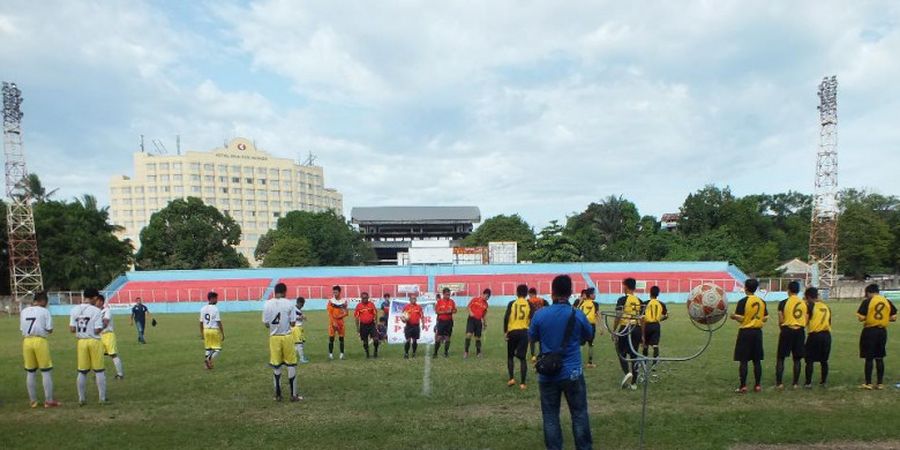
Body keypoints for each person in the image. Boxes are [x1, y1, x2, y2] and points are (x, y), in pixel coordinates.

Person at [529, 274, 594, 450]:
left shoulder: (540, 315)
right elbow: (589, 335)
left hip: (548, 374)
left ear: (552, 292)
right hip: (573, 373)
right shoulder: (577, 314)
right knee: (579, 414)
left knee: (550, 416)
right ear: (571, 292)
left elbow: (533, 337)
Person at [21, 291, 60, 408]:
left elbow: (21, 328)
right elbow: (50, 329)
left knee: (30, 372)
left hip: (27, 341)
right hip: (40, 341)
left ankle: (33, 401)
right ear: (43, 301)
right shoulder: (45, 311)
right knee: (46, 371)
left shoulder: (24, 311)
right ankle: (49, 401)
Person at [262, 283, 300, 402]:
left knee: (276, 365)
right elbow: (293, 323)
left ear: (274, 291)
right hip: (287, 336)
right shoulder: (289, 304)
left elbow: (266, 323)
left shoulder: (267, 304)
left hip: (274, 338)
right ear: (285, 291)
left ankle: (278, 394)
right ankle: (293, 395)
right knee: (291, 364)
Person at [70, 288, 108, 405]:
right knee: (99, 370)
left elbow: (72, 329)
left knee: (82, 371)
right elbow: (97, 330)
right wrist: (103, 326)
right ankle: (102, 398)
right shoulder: (96, 311)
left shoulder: (74, 309)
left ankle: (81, 398)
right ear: (95, 298)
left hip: (81, 342)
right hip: (94, 341)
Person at [856, 283, 897, 390]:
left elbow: (861, 318)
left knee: (869, 358)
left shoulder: (868, 301)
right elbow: (894, 317)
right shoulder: (886, 301)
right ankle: (880, 383)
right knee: (879, 357)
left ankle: (868, 383)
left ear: (869, 292)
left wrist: (870, 317)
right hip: (882, 331)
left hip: (870, 331)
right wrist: (883, 319)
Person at [730, 278, 768, 394]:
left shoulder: (743, 301)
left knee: (744, 360)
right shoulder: (762, 301)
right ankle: (757, 385)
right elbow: (765, 318)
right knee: (757, 361)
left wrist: (734, 316)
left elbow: (741, 318)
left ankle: (743, 386)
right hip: (757, 333)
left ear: (746, 288)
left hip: (745, 332)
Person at [775, 281, 807, 389]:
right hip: (800, 331)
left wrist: (783, 329)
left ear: (788, 290)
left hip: (787, 330)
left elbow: (781, 320)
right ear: (798, 290)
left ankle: (779, 383)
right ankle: (795, 383)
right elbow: (806, 319)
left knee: (781, 358)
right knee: (797, 359)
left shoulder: (783, 303)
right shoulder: (804, 303)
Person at [614, 278, 643, 390]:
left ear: (625, 286)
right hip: (636, 328)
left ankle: (627, 373)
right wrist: (643, 335)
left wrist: (614, 329)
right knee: (634, 355)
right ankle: (634, 383)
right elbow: (642, 319)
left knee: (621, 352)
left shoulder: (622, 299)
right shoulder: (639, 301)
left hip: (625, 327)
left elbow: (618, 315)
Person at [504, 284, 533, 390]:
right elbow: (533, 318)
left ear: (517, 293)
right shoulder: (529, 304)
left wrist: (505, 332)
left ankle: (511, 378)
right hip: (523, 332)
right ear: (526, 294)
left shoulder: (512, 303)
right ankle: (523, 383)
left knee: (510, 356)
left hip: (512, 332)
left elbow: (506, 318)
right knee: (523, 359)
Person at [803, 287, 831, 388]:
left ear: (808, 297)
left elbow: (805, 322)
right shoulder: (826, 306)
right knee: (824, 360)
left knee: (809, 360)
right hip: (826, 335)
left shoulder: (810, 306)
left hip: (815, 335)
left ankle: (808, 383)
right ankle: (823, 382)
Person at [96, 295, 125, 379]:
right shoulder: (96, 311)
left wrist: (97, 330)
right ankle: (100, 374)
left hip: (108, 335)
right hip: (99, 335)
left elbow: (105, 322)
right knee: (98, 355)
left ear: (101, 301)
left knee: (113, 354)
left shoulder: (106, 310)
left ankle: (120, 374)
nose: (95, 303)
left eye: (97, 301)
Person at [641, 286, 667, 360]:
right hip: (656, 325)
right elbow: (666, 316)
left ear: (650, 293)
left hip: (647, 325)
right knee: (655, 345)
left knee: (645, 344)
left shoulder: (645, 303)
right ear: (658, 294)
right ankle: (654, 363)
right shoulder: (661, 304)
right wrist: (659, 319)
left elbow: (642, 317)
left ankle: (645, 361)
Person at [200, 291, 224, 369]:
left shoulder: (203, 309)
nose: (217, 300)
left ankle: (207, 366)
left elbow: (200, 322)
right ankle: (208, 359)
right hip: (213, 330)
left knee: (208, 348)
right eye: (216, 298)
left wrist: (202, 333)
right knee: (217, 349)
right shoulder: (215, 309)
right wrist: (222, 333)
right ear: (212, 299)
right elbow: (218, 321)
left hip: (205, 330)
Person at [464, 289, 490, 358]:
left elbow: (484, 315)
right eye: (486, 296)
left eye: (488, 297)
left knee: (478, 338)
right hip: (471, 320)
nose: (487, 298)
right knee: (469, 335)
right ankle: (466, 352)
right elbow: (468, 307)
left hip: (479, 321)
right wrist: (470, 313)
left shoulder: (486, 305)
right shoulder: (475, 299)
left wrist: (485, 323)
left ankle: (478, 352)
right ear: (483, 294)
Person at [577, 288, 600, 368]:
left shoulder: (581, 303)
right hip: (590, 325)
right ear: (590, 295)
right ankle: (590, 363)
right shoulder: (595, 304)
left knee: (580, 344)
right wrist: (601, 327)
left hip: (581, 325)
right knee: (591, 344)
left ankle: (578, 362)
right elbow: (597, 315)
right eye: (594, 293)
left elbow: (577, 313)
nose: (595, 295)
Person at [434, 288, 457, 358]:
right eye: (447, 294)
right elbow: (437, 312)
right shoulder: (439, 302)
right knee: (439, 337)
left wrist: (452, 311)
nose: (448, 296)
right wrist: (445, 312)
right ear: (443, 294)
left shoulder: (452, 302)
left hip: (449, 322)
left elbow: (455, 310)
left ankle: (446, 352)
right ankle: (435, 353)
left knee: (448, 338)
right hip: (441, 322)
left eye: (449, 294)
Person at [528, 287, 550, 362]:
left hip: (532, 321)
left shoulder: (528, 301)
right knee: (541, 338)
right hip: (542, 321)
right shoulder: (542, 300)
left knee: (532, 339)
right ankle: (541, 354)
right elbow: (548, 307)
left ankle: (533, 355)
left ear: (530, 294)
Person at [327, 285, 348, 360]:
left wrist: (340, 316)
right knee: (331, 338)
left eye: (336, 292)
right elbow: (330, 313)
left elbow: (346, 313)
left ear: (339, 292)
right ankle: (330, 354)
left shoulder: (344, 301)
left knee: (341, 338)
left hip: (341, 323)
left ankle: (342, 354)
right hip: (332, 322)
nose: (334, 294)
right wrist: (334, 322)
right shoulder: (331, 301)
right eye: (333, 292)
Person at [354, 292, 378, 358]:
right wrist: (357, 328)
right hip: (363, 326)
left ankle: (375, 351)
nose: (365, 299)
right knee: (365, 342)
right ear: (361, 298)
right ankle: (367, 354)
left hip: (371, 325)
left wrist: (376, 323)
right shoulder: (359, 306)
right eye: (363, 298)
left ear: (368, 298)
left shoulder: (371, 304)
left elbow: (375, 314)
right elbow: (356, 317)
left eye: (366, 298)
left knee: (376, 339)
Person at [402, 294, 424, 359]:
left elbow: (422, 316)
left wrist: (423, 323)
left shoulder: (419, 307)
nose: (414, 300)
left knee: (414, 341)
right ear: (410, 300)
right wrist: (404, 320)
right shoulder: (406, 307)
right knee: (408, 340)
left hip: (416, 326)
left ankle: (414, 353)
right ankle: (406, 353)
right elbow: (403, 317)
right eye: (412, 298)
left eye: (415, 298)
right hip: (408, 326)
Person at [293, 297, 308, 363]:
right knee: (299, 344)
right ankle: (302, 359)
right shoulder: (294, 309)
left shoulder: (297, 309)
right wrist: (301, 317)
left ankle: (291, 356)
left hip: (298, 328)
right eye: (302, 305)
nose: (302, 306)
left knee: (297, 344)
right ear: (299, 303)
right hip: (296, 328)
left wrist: (302, 317)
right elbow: (293, 318)